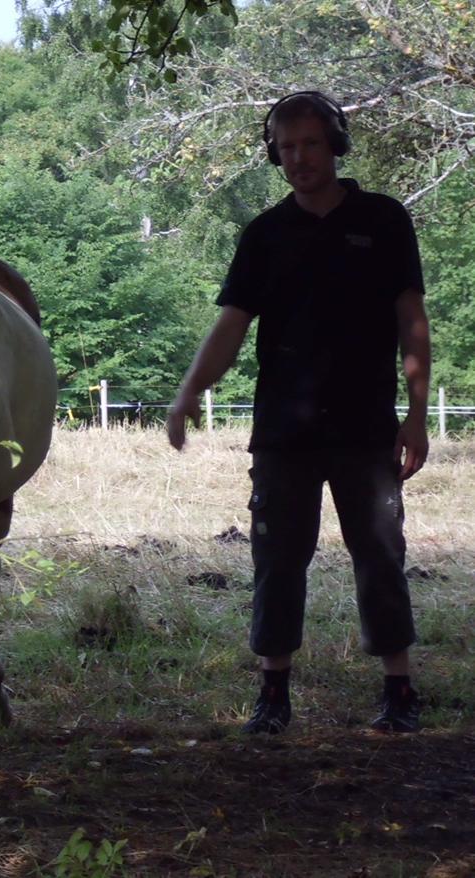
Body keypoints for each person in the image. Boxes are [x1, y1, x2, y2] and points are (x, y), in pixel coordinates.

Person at [166, 91, 432, 734]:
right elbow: (231, 324)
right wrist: (188, 391)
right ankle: (273, 697)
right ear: (274, 154)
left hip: (365, 428)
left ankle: (399, 694)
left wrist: (417, 414)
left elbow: (411, 320)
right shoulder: (264, 234)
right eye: (287, 147)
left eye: (311, 144)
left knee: (380, 555)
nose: (300, 158)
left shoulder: (386, 220)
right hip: (283, 432)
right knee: (277, 559)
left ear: (335, 146)